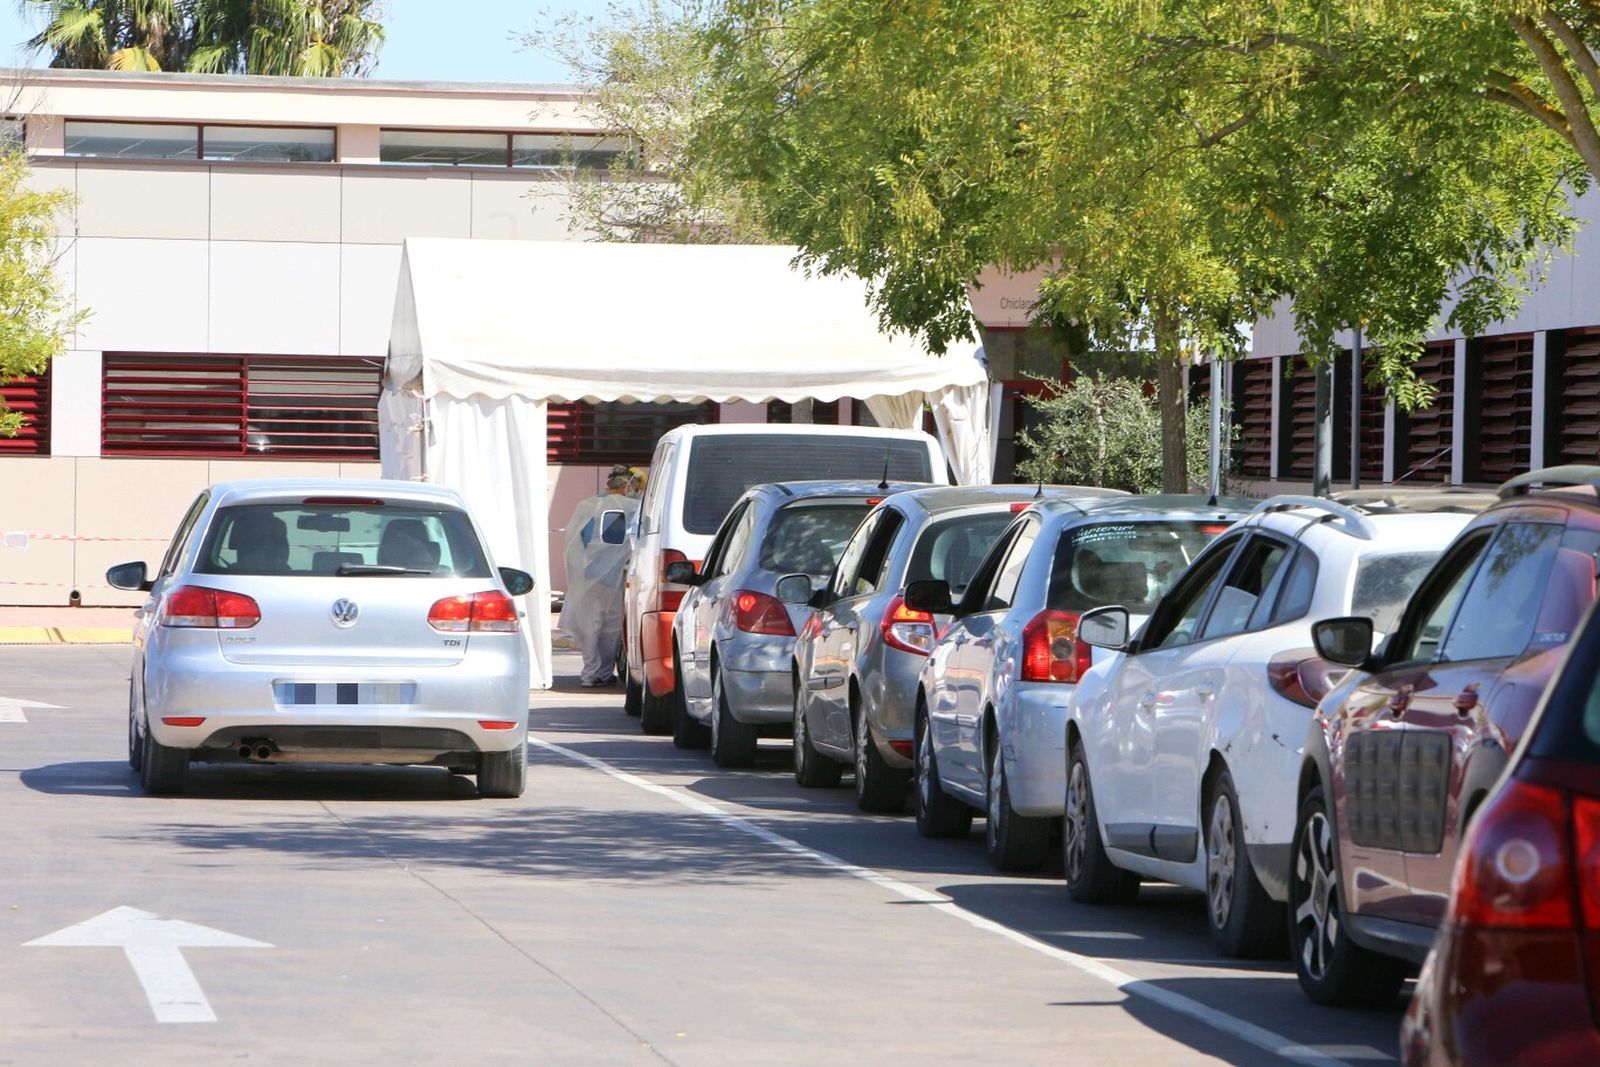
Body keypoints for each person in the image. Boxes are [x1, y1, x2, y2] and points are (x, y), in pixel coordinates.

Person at [563, 465, 641, 688]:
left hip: (588, 576)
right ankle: (602, 674)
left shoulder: (586, 506)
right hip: (615, 579)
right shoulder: (631, 506)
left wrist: (581, 568)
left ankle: (591, 673)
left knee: (591, 627)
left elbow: (574, 541)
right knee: (611, 629)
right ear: (627, 487)